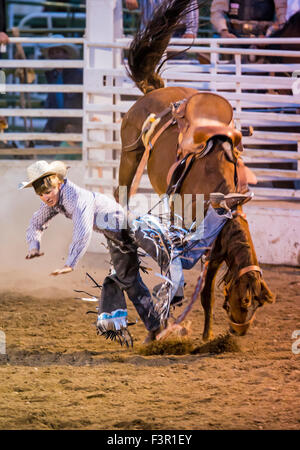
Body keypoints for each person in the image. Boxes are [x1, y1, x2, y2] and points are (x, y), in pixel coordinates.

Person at [19, 160, 252, 343]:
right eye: (41, 194)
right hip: (116, 237)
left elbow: (82, 229)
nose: (45, 197)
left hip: (133, 228)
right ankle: (156, 328)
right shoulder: (55, 201)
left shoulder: (77, 198)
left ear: (58, 183)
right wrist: (34, 245)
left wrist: (71, 262)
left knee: (180, 257)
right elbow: (35, 222)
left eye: (48, 190)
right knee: (129, 281)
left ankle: (218, 210)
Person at [39, 35, 83, 137]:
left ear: (67, 55)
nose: (55, 56)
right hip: (56, 124)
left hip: (75, 123)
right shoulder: (51, 75)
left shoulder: (78, 74)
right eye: (52, 53)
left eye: (58, 52)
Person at [210, 0, 287, 38]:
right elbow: (217, 10)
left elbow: (282, 9)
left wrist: (282, 28)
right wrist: (223, 31)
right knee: (231, 67)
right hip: (235, 36)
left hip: (264, 36)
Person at [125, 0, 199, 38]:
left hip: (174, 30)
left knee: (174, 64)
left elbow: (191, 4)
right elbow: (131, 5)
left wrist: (191, 31)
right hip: (149, 30)